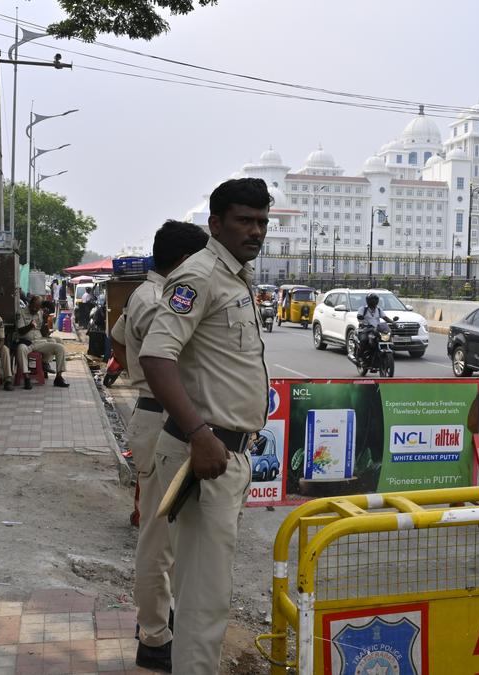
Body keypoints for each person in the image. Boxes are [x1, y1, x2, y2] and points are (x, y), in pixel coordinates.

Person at [140, 178, 271, 673]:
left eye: (261, 221)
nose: (255, 231)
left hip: (226, 455)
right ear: (215, 223)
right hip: (205, 453)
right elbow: (156, 356)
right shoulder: (199, 275)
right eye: (244, 220)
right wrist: (199, 434)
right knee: (203, 598)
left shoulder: (236, 276)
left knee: (208, 591)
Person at [111, 220, 209, 671]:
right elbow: (162, 359)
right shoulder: (159, 300)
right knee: (159, 535)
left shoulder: (142, 295)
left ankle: (155, 618)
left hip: (155, 416)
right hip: (161, 417)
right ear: (186, 260)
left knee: (162, 528)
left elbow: (115, 337)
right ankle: (154, 634)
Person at [15, 293, 69, 389]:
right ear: (30, 304)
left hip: (40, 341)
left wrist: (44, 321)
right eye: (34, 307)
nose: (35, 309)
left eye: (38, 307)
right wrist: (30, 326)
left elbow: (44, 333)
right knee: (20, 348)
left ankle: (58, 377)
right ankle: (26, 377)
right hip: (27, 342)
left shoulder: (40, 313)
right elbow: (20, 331)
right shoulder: (21, 312)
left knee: (60, 347)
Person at [354, 293, 393, 363]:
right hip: (366, 329)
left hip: (377, 329)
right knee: (364, 340)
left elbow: (385, 317)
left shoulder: (378, 309)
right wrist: (360, 317)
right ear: (368, 301)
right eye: (372, 300)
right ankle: (359, 357)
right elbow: (359, 315)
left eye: (375, 300)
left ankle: (382, 354)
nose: (374, 301)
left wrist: (393, 322)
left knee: (385, 338)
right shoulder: (363, 309)